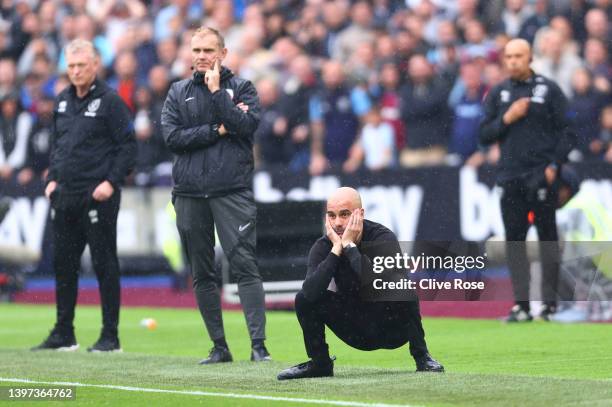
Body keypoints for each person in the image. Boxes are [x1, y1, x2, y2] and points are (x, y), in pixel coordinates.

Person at [161, 27, 270, 364]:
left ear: (223, 53)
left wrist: (219, 94)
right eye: (196, 50)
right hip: (190, 194)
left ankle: (258, 346)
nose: (201, 56)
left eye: (208, 50)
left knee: (244, 265)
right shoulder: (177, 92)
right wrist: (215, 130)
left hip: (231, 192)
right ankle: (220, 346)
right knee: (202, 272)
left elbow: (246, 126)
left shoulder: (243, 88)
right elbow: (172, 138)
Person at [32, 39, 136, 352]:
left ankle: (110, 336)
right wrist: (51, 179)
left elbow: (128, 147)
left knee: (104, 264)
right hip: (64, 195)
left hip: (97, 195)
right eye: (71, 66)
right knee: (63, 266)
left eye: (81, 65)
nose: (76, 71)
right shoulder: (62, 101)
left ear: (95, 65)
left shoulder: (110, 101)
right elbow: (58, 147)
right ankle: (64, 332)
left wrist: (111, 182)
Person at [277, 187, 444, 380]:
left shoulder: (382, 237)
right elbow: (309, 294)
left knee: (401, 287)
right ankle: (320, 364)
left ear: (360, 214)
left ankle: (422, 357)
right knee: (303, 298)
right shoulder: (323, 246)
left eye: (344, 214)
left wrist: (350, 247)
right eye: (332, 216)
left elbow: (378, 285)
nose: (337, 223)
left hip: (391, 328)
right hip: (355, 329)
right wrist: (336, 251)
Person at [480, 38, 577, 322]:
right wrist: (507, 118)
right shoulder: (498, 93)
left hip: (541, 176)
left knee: (548, 240)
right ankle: (521, 305)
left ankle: (549, 305)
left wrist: (554, 165)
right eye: (508, 57)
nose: (513, 61)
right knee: (515, 242)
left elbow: (569, 132)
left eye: (518, 56)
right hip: (510, 178)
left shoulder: (549, 90)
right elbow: (484, 135)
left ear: (530, 57)